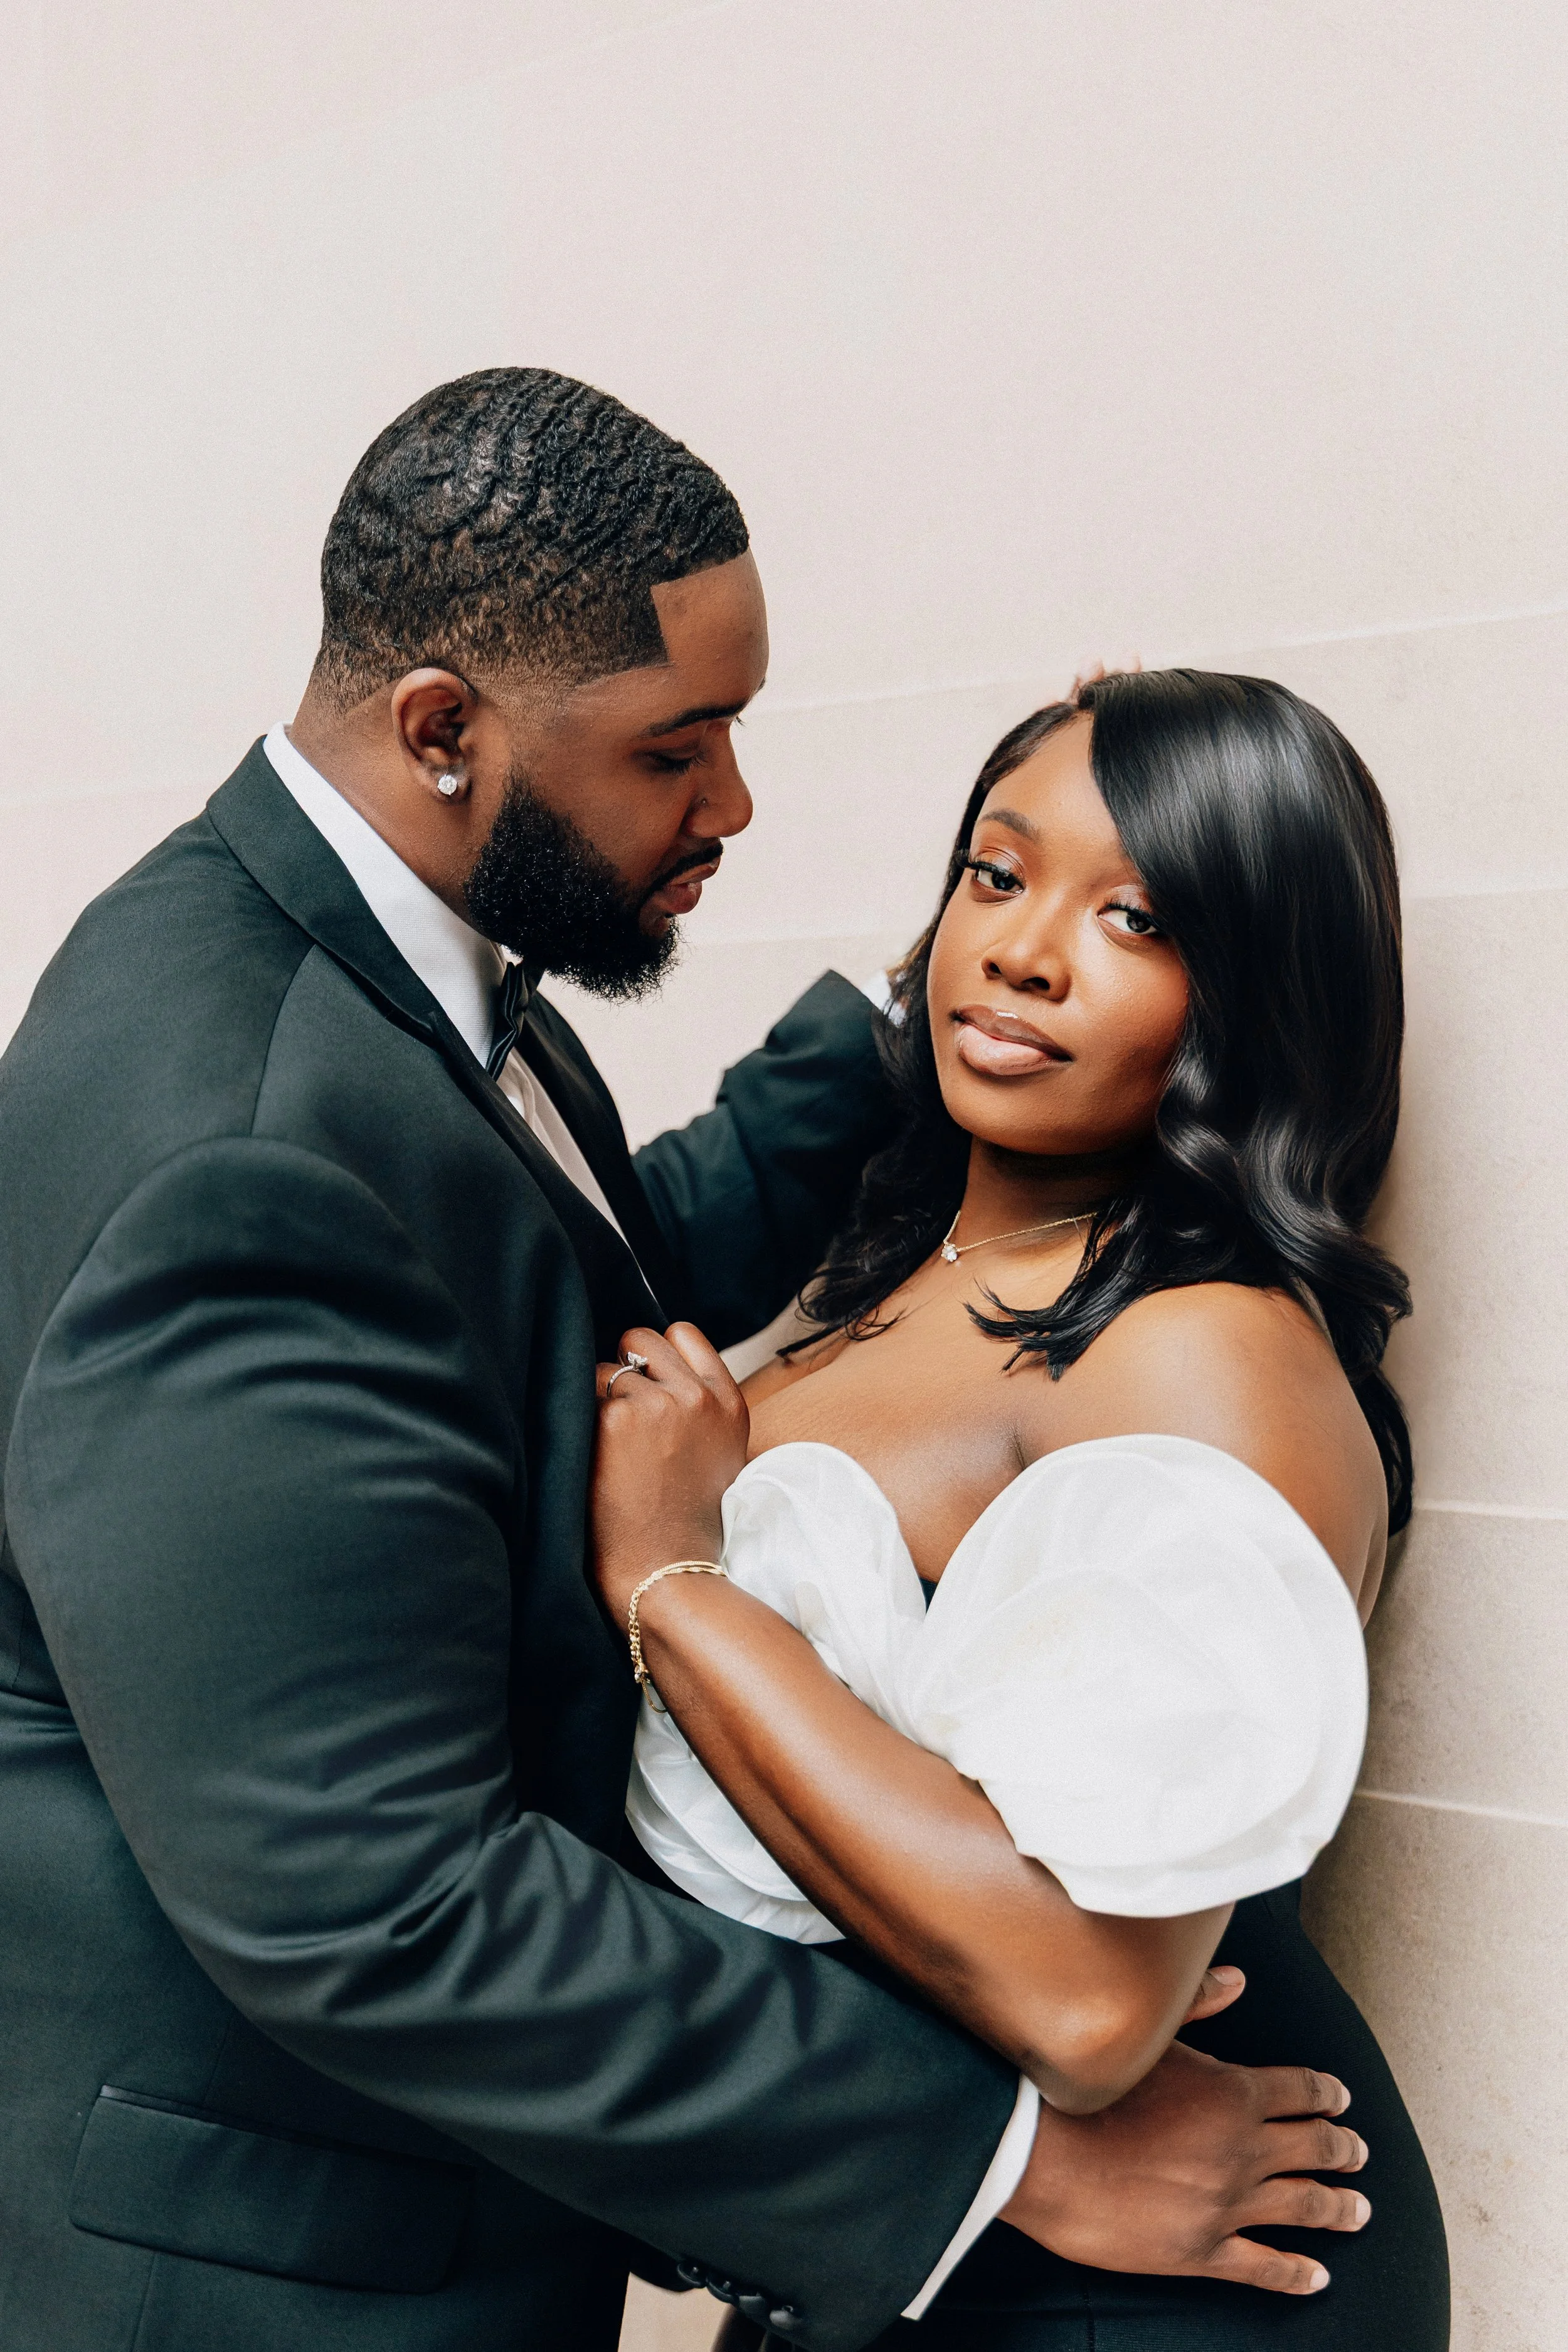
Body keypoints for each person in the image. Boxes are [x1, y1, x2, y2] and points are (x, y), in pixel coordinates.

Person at [0, 371, 1373, 2352]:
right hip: (278, 2277)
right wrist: (1003, 2154)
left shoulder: (407, 964)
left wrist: (994, 955)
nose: (730, 803)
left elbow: (573, 1270)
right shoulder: (238, 1138)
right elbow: (379, 1903)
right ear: (444, 732)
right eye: (676, 748)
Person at [591, 671, 1451, 2348]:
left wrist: (671, 1577)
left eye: (1135, 914)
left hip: (1171, 2272)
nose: (1026, 951)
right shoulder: (902, 1276)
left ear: (1258, 988)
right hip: (922, 2223)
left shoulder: (1203, 1348)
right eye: (995, 874)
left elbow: (1083, 1996)